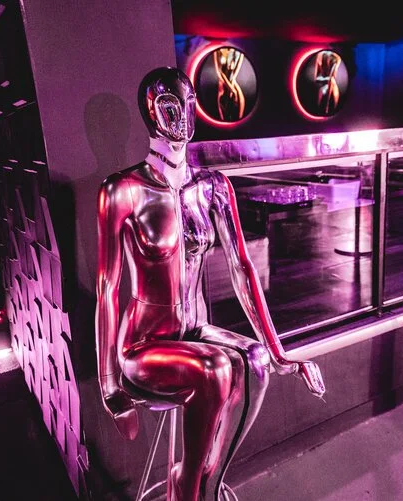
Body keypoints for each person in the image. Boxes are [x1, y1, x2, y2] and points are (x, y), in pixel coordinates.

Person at [96, 67, 325, 501]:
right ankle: (187, 486)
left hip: (196, 331)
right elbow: (107, 289)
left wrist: (280, 353)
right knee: (217, 369)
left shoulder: (211, 186)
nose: (182, 118)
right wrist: (109, 387)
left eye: (188, 105)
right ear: (151, 114)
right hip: (143, 345)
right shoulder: (122, 190)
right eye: (170, 107)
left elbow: (243, 269)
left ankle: (206, 479)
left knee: (255, 361)